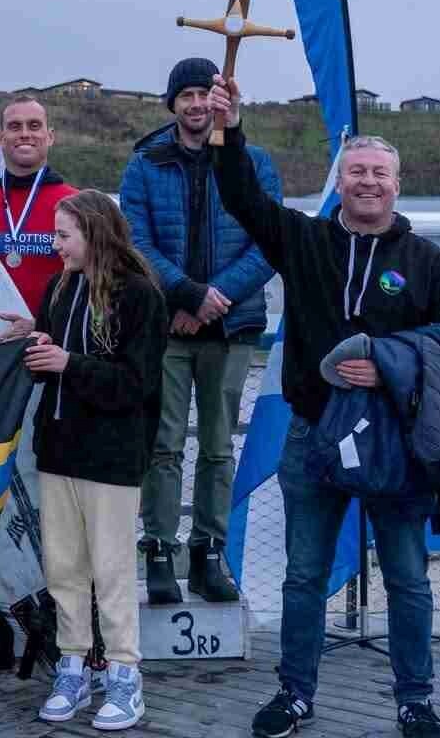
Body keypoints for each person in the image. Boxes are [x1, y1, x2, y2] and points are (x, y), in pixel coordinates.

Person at [207, 80, 440, 738]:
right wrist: (229, 130)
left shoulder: (428, 262)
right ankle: (294, 694)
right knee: (304, 575)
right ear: (341, 182)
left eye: (379, 173)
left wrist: (387, 363)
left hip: (397, 441)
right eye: (357, 172)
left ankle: (415, 701)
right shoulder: (303, 241)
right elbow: (241, 197)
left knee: (407, 578)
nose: (368, 182)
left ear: (397, 184)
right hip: (313, 435)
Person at [119, 56, 278, 605]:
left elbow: (268, 240)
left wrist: (214, 299)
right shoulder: (145, 164)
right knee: (162, 445)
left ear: (221, 101)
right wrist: (186, 294)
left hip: (230, 327)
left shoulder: (253, 162)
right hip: (165, 327)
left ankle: (210, 553)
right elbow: (135, 241)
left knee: (217, 447)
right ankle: (160, 551)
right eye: (184, 95)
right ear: (172, 103)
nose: (194, 104)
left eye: (203, 94)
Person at [21, 190, 165, 732]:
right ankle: (73, 665)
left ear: (95, 233)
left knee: (111, 569)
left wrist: (67, 363)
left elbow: (135, 383)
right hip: (59, 449)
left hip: (111, 455)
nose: (55, 244)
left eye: (64, 235)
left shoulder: (141, 295)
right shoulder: (59, 286)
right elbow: (48, 366)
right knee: (64, 568)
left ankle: (125, 674)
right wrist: (32, 342)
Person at [0, 97, 78, 679]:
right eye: (14, 127)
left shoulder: (73, 204)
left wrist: (44, 327)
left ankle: (51, 626)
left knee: (42, 500)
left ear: (50, 136)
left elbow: (93, 292)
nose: (24, 134)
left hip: (47, 373)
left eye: (35, 126)